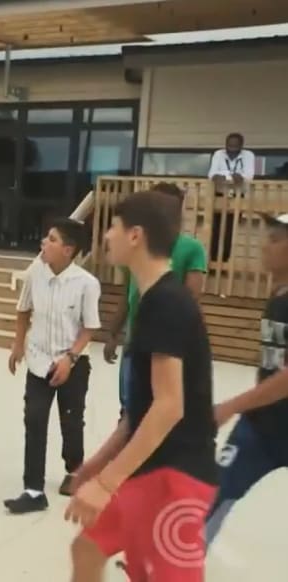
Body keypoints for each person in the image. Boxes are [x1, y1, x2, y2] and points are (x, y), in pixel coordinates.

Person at [66, 190, 218, 582]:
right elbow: (139, 410)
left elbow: (169, 406)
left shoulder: (168, 303)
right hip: (147, 470)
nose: (106, 237)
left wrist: (106, 482)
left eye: (112, 227)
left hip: (178, 478)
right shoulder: (150, 301)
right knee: (86, 549)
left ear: (135, 235)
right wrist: (94, 468)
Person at [5, 218, 101, 514]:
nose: (44, 243)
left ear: (69, 250)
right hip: (38, 359)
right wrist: (18, 345)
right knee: (34, 419)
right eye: (46, 238)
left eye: (52, 239)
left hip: (72, 362)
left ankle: (74, 469)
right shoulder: (36, 273)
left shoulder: (87, 284)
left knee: (71, 421)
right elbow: (23, 310)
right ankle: (33, 489)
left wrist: (69, 359)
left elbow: (89, 328)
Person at [204, 212, 288, 544]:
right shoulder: (277, 298)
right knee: (214, 492)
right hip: (261, 427)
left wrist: (229, 406)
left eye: (275, 239)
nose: (264, 246)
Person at [103, 182, 207, 413]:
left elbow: (191, 297)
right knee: (130, 405)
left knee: (155, 402)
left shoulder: (191, 249)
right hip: (135, 330)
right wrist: (113, 332)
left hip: (164, 331)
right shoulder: (137, 249)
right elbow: (128, 293)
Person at [207, 133, 255, 264]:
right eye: (229, 145)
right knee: (215, 229)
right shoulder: (219, 154)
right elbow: (212, 175)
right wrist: (232, 178)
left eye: (235, 145)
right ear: (225, 144)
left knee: (229, 231)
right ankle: (213, 261)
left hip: (237, 196)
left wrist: (226, 177)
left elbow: (248, 176)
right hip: (219, 195)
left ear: (241, 145)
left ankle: (223, 262)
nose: (232, 148)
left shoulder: (248, 155)